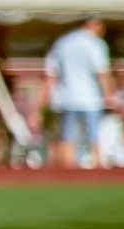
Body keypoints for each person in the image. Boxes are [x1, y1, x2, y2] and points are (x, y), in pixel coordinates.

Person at [45, 16, 113, 168]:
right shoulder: (95, 44)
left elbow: (51, 73)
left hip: (67, 97)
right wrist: (108, 94)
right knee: (93, 136)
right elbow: (102, 72)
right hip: (91, 98)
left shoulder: (63, 43)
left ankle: (66, 173)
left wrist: (47, 98)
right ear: (92, 24)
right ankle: (97, 171)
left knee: (67, 137)